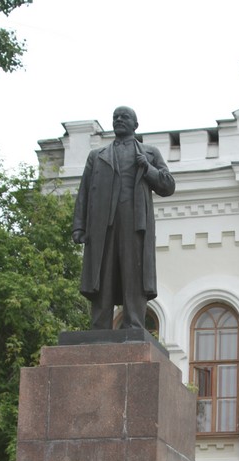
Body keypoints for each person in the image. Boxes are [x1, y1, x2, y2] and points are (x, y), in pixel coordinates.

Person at [72, 106, 175, 330]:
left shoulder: (150, 153)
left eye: (124, 117)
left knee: (134, 272)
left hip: (135, 224)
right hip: (102, 224)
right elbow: (84, 192)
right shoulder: (97, 156)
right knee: (103, 273)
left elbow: (168, 186)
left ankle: (134, 325)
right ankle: (100, 327)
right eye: (115, 117)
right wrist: (78, 226)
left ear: (135, 125)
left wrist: (147, 168)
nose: (119, 119)